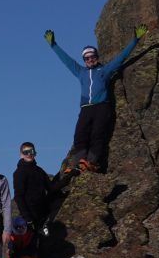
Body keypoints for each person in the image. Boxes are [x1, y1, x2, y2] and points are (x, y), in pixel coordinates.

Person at [46, 27, 143, 172]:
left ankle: (91, 161)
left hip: (101, 107)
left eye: (92, 57)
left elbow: (122, 57)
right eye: (87, 58)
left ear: (96, 57)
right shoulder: (81, 72)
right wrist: (54, 45)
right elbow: (67, 61)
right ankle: (80, 162)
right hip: (86, 108)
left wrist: (135, 40)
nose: (90, 60)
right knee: (80, 134)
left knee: (97, 134)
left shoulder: (104, 71)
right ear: (84, 60)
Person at [8, 141, 54, 258]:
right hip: (28, 215)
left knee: (39, 243)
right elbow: (18, 196)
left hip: (42, 213)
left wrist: (68, 180)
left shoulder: (39, 171)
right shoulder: (19, 173)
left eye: (31, 151)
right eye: (26, 152)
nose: (29, 154)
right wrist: (26, 216)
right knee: (25, 245)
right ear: (21, 154)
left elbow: (50, 188)